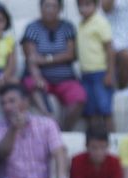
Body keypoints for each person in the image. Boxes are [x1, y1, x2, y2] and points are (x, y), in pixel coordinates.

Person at [20, 0, 83, 130]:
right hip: (41, 77)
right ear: (40, 8)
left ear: (60, 9)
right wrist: (37, 77)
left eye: (54, 6)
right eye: (46, 6)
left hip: (65, 78)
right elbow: (31, 58)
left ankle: (65, 130)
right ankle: (48, 119)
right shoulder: (32, 28)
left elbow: (70, 54)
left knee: (79, 97)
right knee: (33, 85)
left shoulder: (67, 27)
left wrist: (45, 59)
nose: (50, 9)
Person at [75, 0, 113, 128]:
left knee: (105, 110)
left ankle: (112, 139)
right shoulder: (81, 24)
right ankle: (94, 139)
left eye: (87, 5)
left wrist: (110, 73)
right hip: (85, 74)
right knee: (90, 111)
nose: (83, 8)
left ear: (96, 6)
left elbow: (109, 48)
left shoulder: (101, 22)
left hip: (100, 73)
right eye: (80, 5)